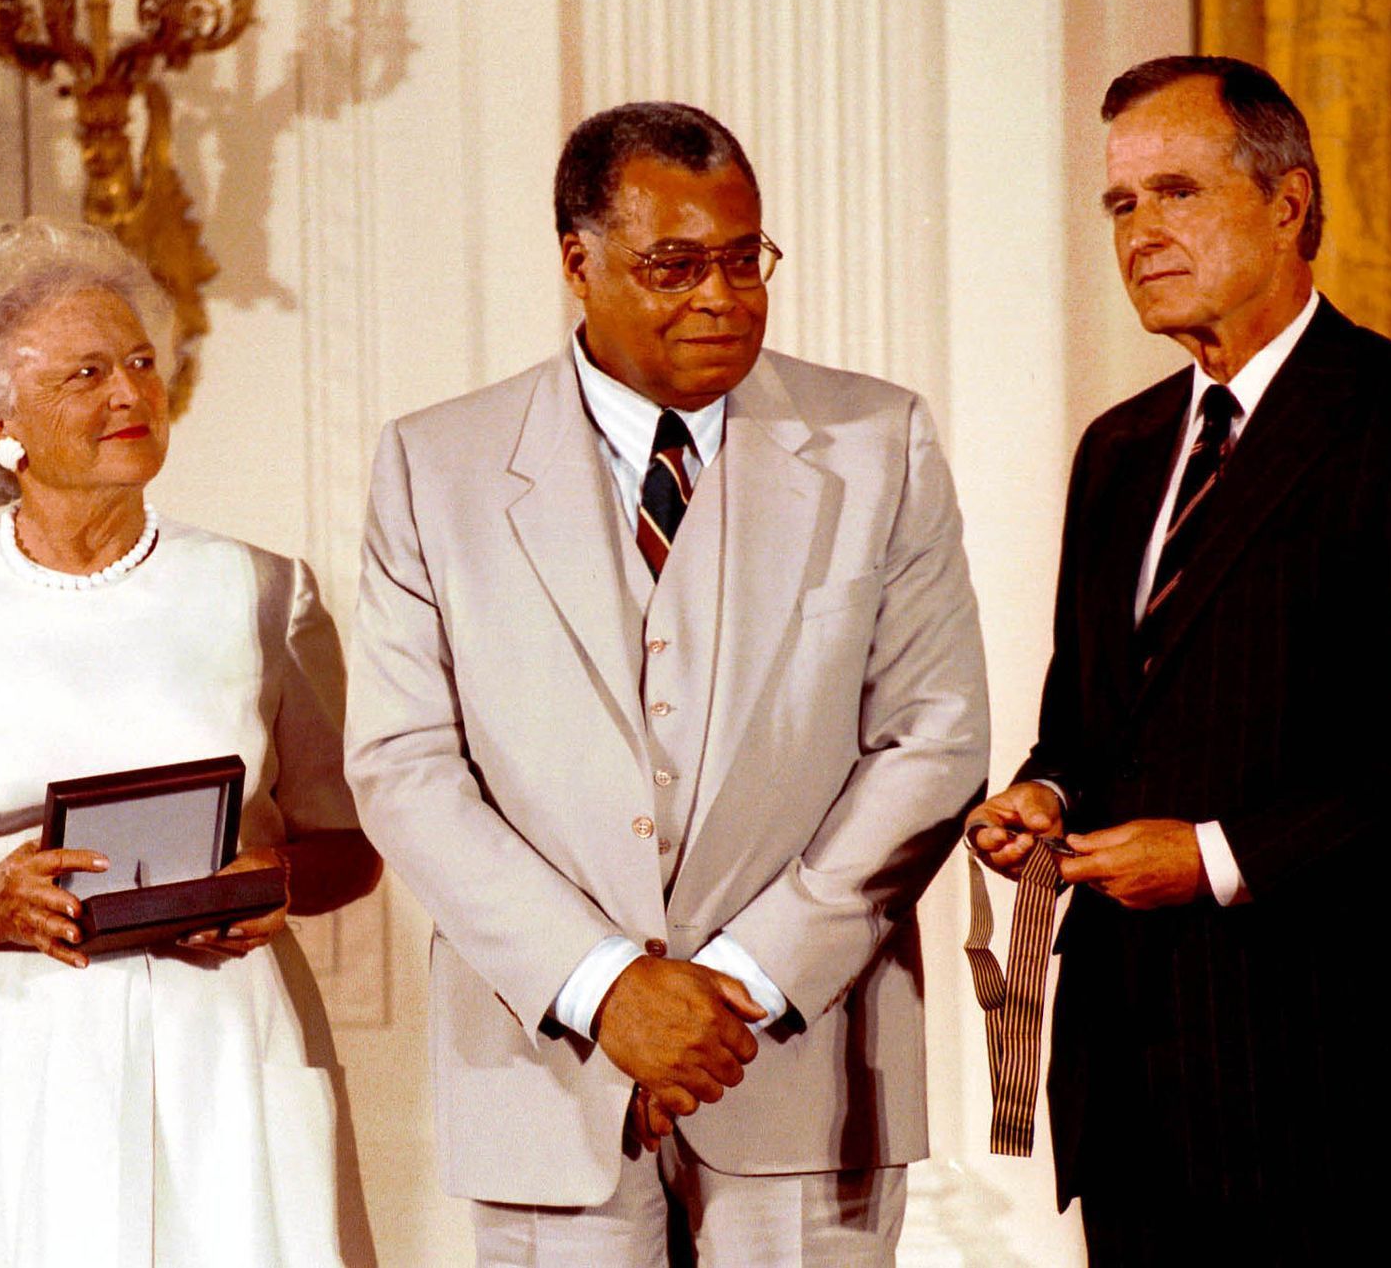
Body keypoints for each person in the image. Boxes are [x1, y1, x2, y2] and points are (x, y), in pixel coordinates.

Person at [344, 101, 989, 1264]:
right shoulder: (432, 465)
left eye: (745, 260)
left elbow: (932, 743)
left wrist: (737, 983)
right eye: (675, 265)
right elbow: (403, 769)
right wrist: (605, 990)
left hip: (803, 1061)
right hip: (547, 1074)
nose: (723, 297)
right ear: (576, 263)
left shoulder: (877, 441)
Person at [966, 57, 1391, 1263]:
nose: (1139, 233)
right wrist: (1045, 796)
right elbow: (1086, 723)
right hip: (1131, 1089)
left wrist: (1215, 859)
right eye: (1119, 206)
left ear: (1287, 204)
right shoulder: (1117, 451)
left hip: (1350, 1094)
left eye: (1173, 191)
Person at [0, 217, 376, 1267]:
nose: (129, 395)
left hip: (220, 1051)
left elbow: (350, 847)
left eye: (141, 362)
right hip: (0, 1062)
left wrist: (270, 878)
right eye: (84, 373)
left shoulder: (262, 591)